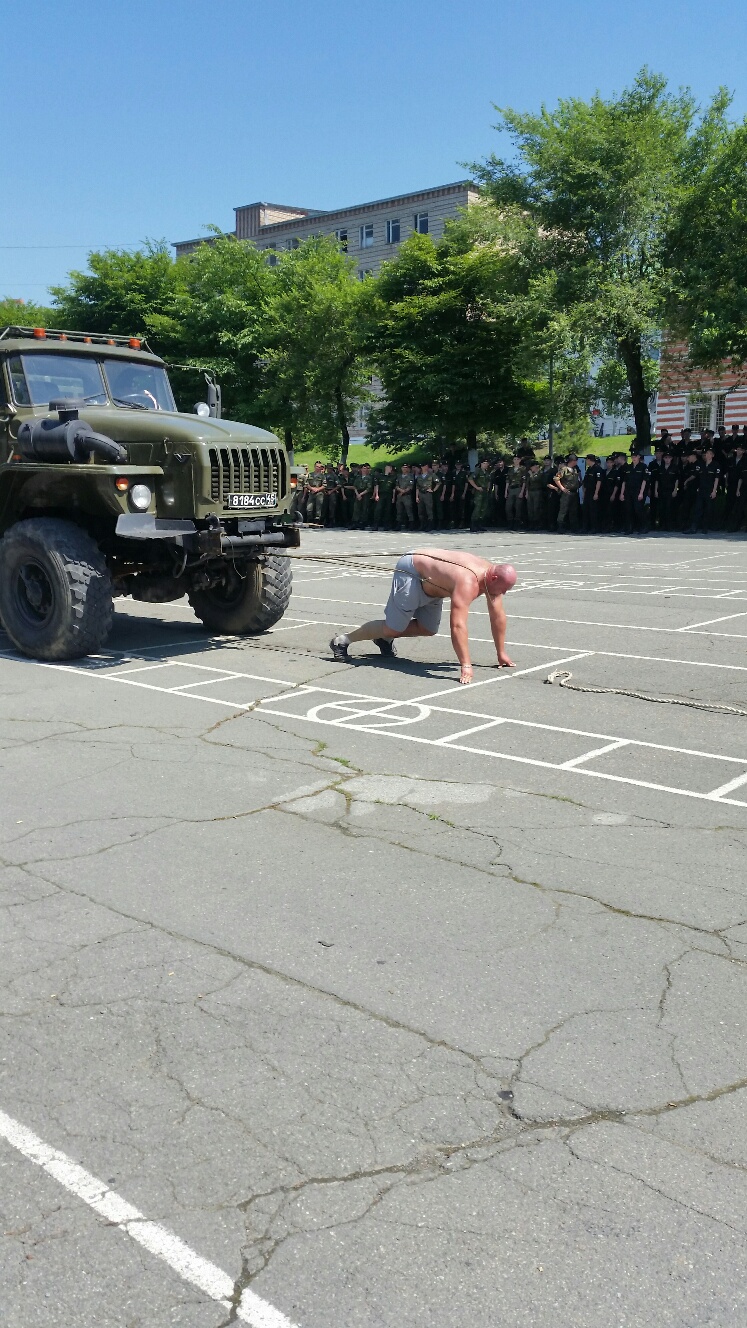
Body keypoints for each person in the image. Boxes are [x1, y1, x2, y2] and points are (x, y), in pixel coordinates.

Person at [329, 549, 517, 685]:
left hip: (435, 587)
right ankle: (342, 641)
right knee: (393, 628)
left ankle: (383, 638)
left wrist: (501, 653)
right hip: (412, 572)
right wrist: (465, 665)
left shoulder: (493, 577)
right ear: (494, 578)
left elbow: (497, 616)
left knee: (428, 628)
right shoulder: (468, 582)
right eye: (503, 589)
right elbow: (458, 625)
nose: (503, 593)